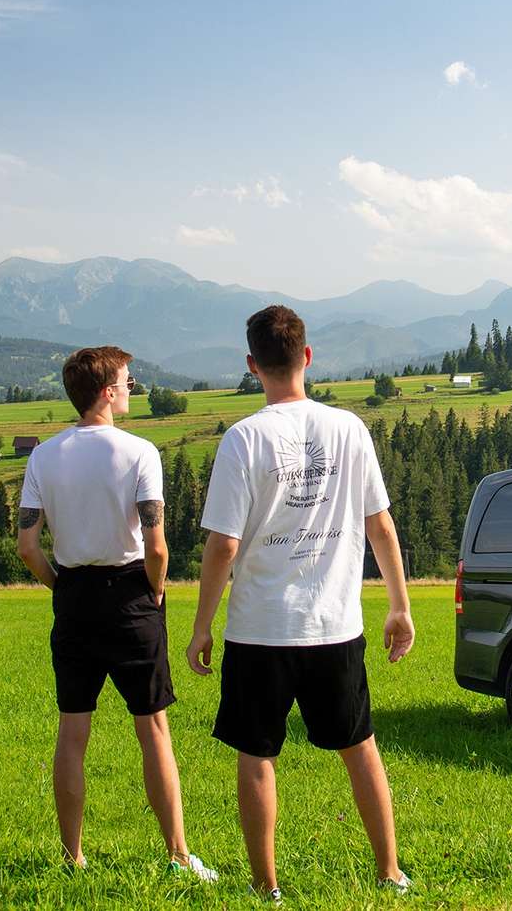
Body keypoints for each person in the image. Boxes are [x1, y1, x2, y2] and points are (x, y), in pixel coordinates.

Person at [187, 305, 415, 900]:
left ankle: (267, 887)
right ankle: (389, 871)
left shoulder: (243, 439)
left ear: (251, 365)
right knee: (359, 746)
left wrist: (202, 625)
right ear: (307, 357)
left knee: (257, 754)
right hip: (334, 623)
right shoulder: (350, 430)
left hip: (261, 627)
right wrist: (400, 605)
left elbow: (223, 545)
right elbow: (380, 525)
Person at [15, 346, 217, 882]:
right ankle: (177, 856)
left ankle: (72, 857)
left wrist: (63, 586)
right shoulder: (138, 452)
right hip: (132, 593)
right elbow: (157, 546)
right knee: (153, 727)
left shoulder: (43, 456)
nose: (133, 386)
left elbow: (28, 547)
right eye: (127, 380)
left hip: (74, 596)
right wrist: (154, 592)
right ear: (106, 391)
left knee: (72, 730)